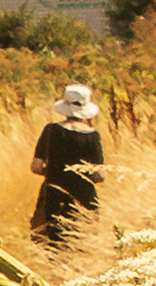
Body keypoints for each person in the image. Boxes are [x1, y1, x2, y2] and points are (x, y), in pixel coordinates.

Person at [30, 83, 104, 245]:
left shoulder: (51, 130)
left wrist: (54, 171)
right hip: (83, 197)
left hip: (53, 195)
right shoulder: (93, 136)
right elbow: (99, 175)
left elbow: (36, 166)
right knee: (82, 244)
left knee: (48, 243)